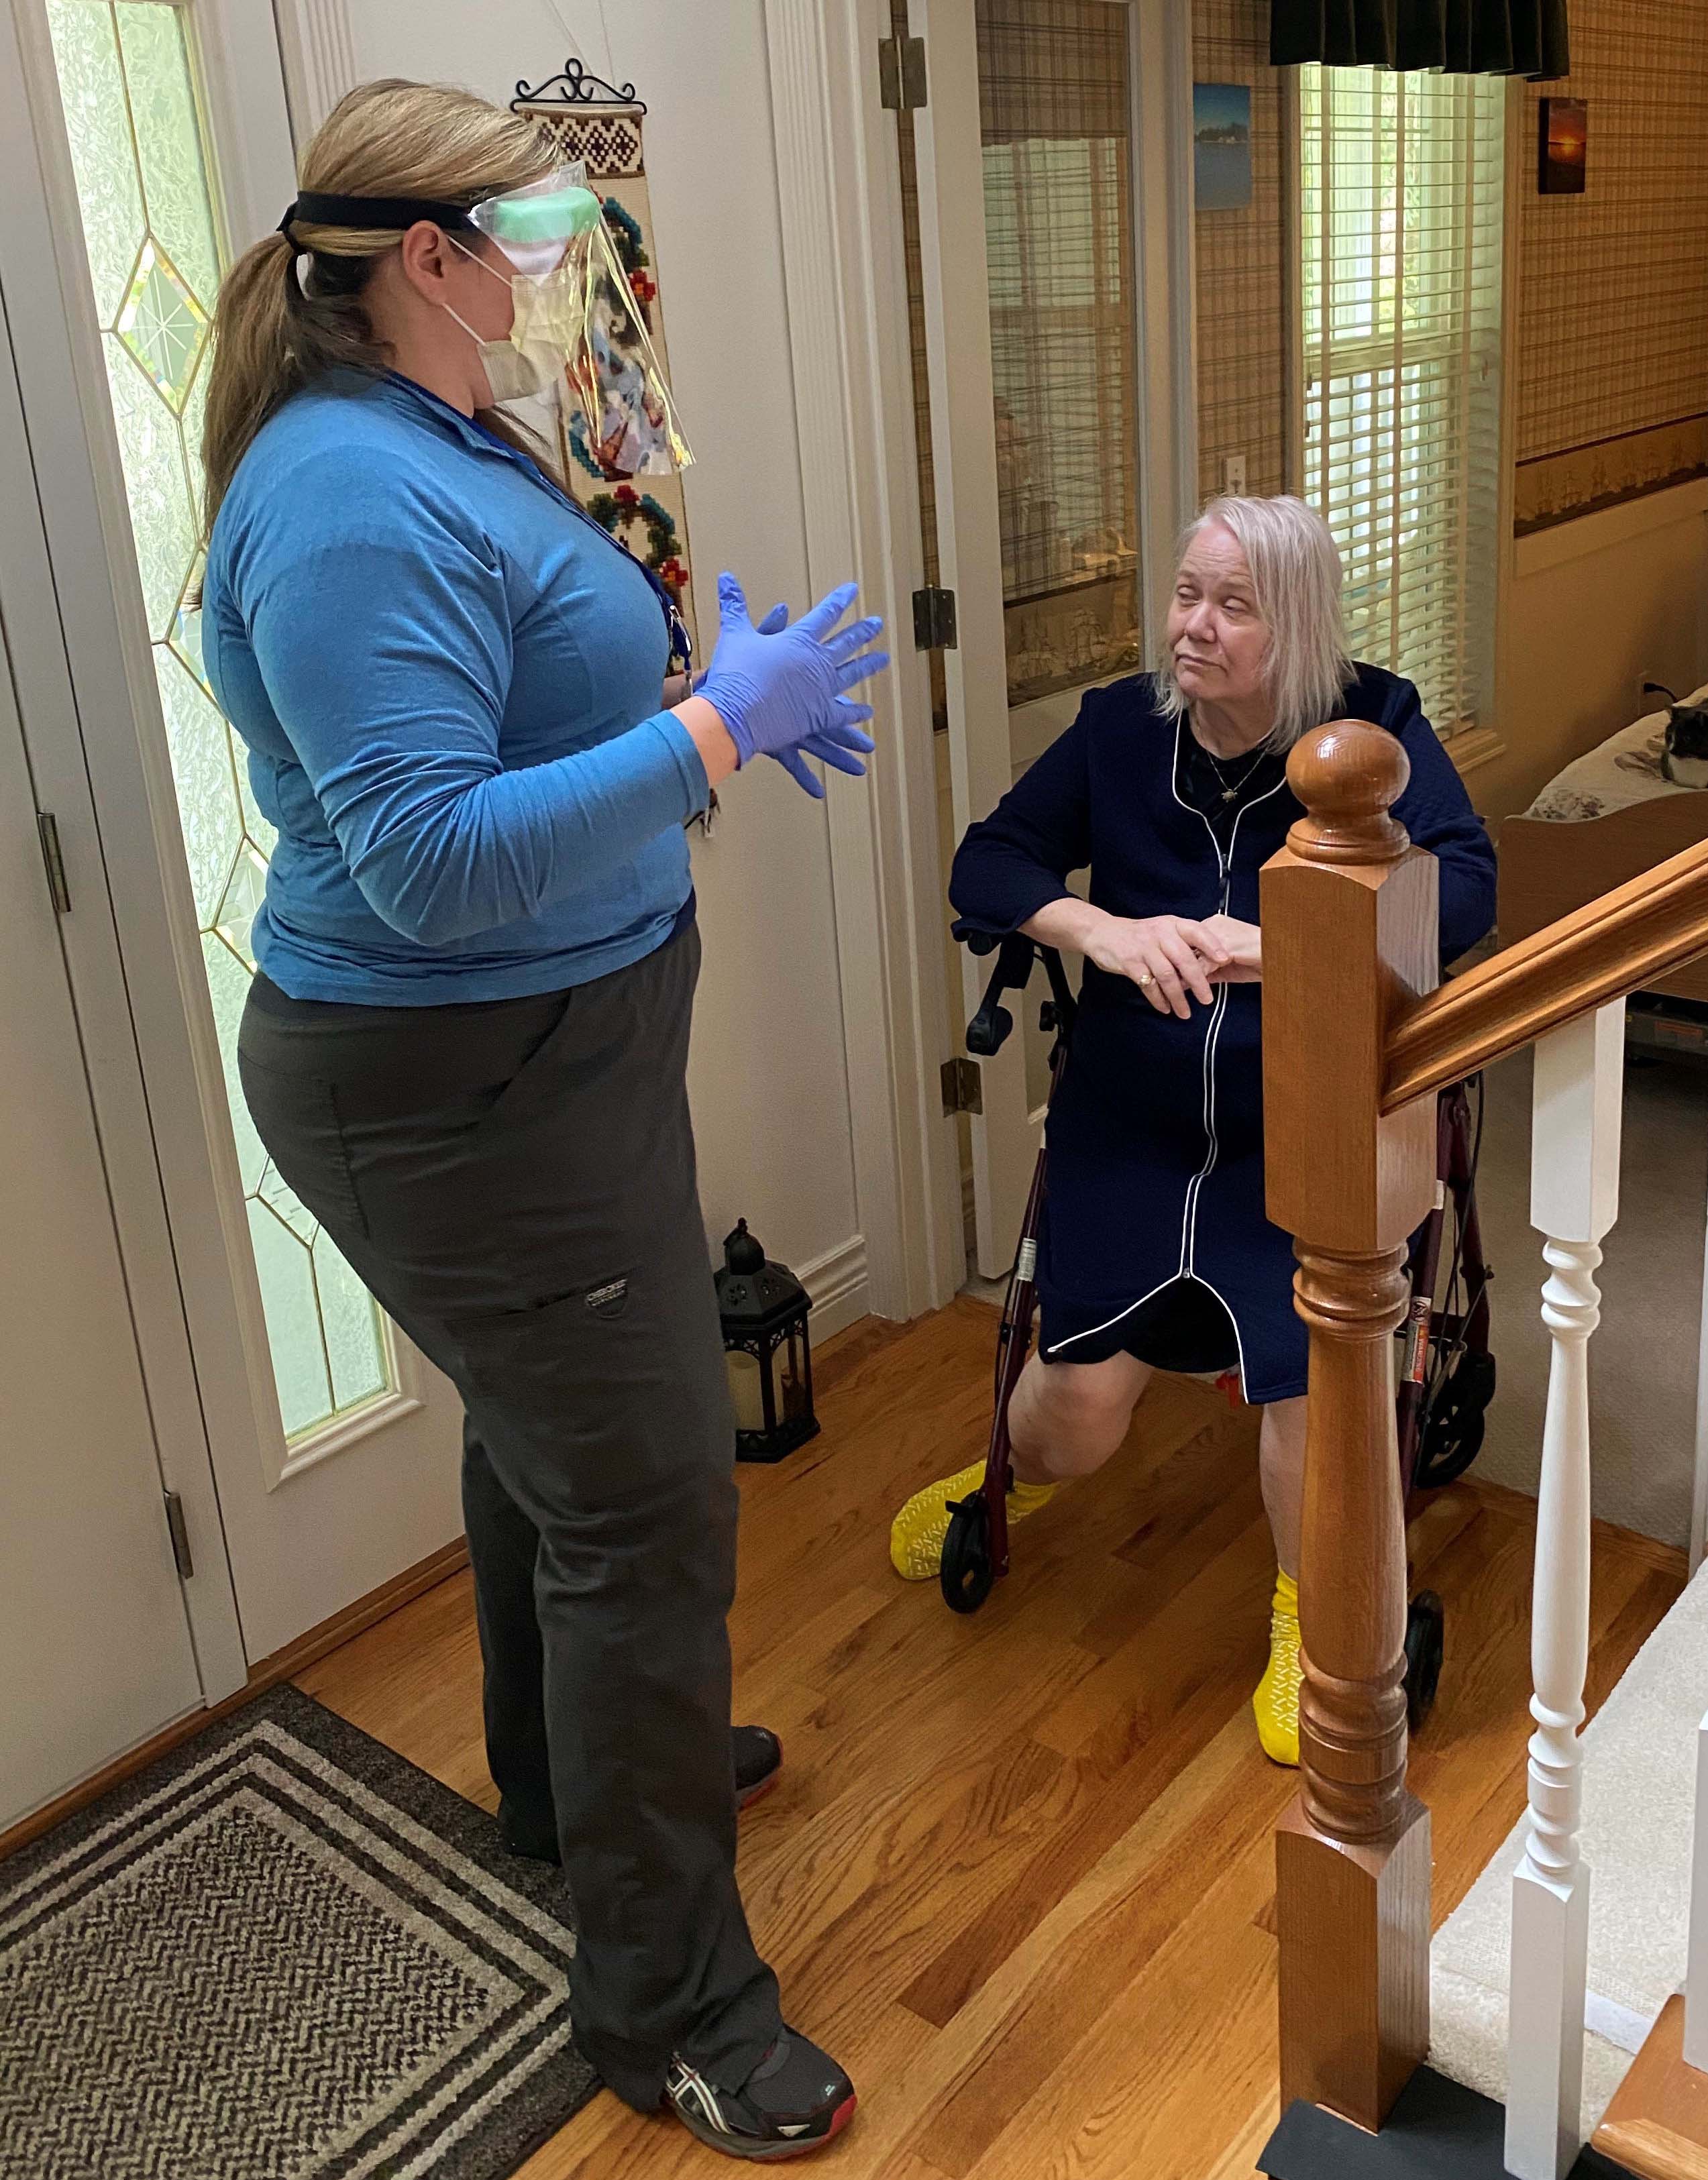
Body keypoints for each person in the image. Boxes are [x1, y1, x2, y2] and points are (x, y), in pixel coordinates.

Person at [199, 80, 884, 2162]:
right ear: (423, 254)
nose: (557, 246)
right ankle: (668, 2003)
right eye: (533, 216)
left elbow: (508, 711)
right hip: (452, 1084)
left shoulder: (444, 428)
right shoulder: (337, 493)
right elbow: (419, 856)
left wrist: (706, 710)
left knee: (557, 1448)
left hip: (555, 1058)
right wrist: (705, 730)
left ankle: (566, 1798)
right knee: (650, 1506)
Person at [890, 496, 1496, 1766]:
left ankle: (1307, 1610)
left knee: (1305, 1394)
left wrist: (1286, 953)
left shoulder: (1372, 725)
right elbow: (988, 863)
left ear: (1299, 626)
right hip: (1132, 1115)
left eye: (1233, 605)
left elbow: (1466, 886)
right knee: (1076, 1422)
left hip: (1304, 1132)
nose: (1193, 628)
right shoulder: (1117, 728)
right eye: (1184, 595)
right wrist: (1098, 931)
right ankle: (998, 1473)